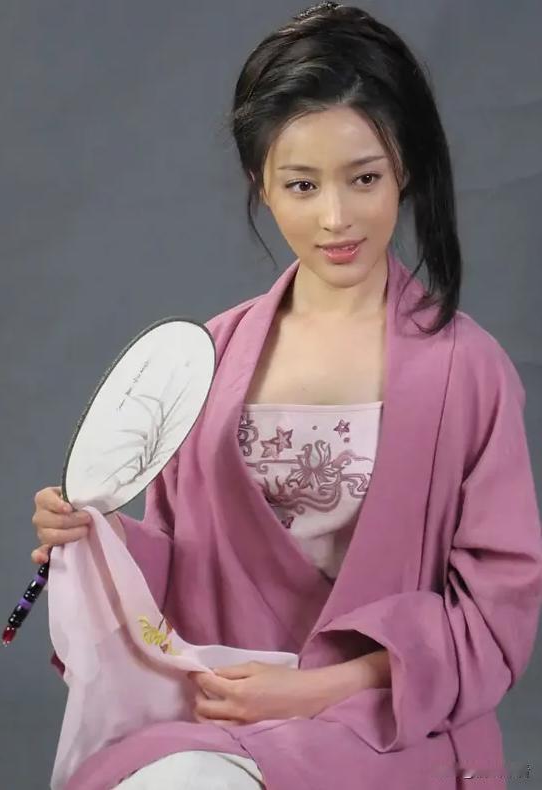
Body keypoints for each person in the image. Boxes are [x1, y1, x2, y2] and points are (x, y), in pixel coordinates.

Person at [32, 3, 542, 789]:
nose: (335, 218)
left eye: (363, 178)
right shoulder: (207, 360)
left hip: (385, 727)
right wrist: (94, 542)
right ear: (261, 184)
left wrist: (318, 689)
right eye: (301, 185)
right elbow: (180, 566)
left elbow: (494, 613)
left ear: (404, 169)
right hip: (220, 711)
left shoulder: (467, 370)